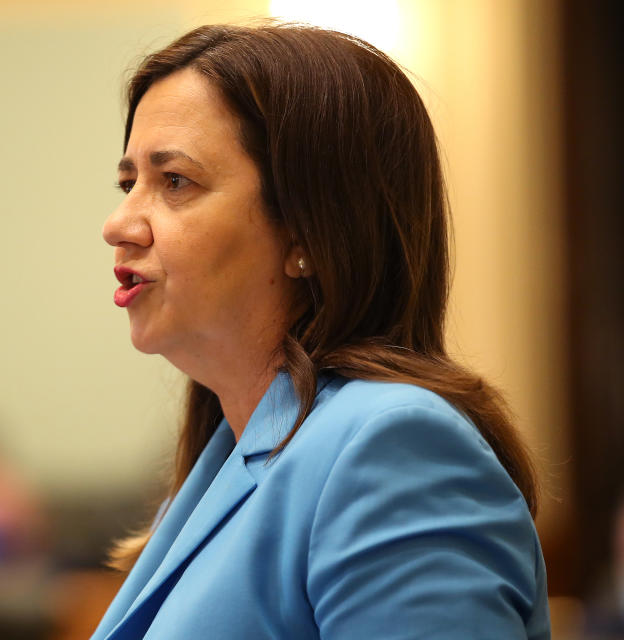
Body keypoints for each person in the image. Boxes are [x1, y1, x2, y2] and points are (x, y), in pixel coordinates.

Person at [92, 22, 550, 640]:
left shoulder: (393, 451)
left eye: (174, 181)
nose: (119, 223)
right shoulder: (223, 463)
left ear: (308, 230)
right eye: (129, 184)